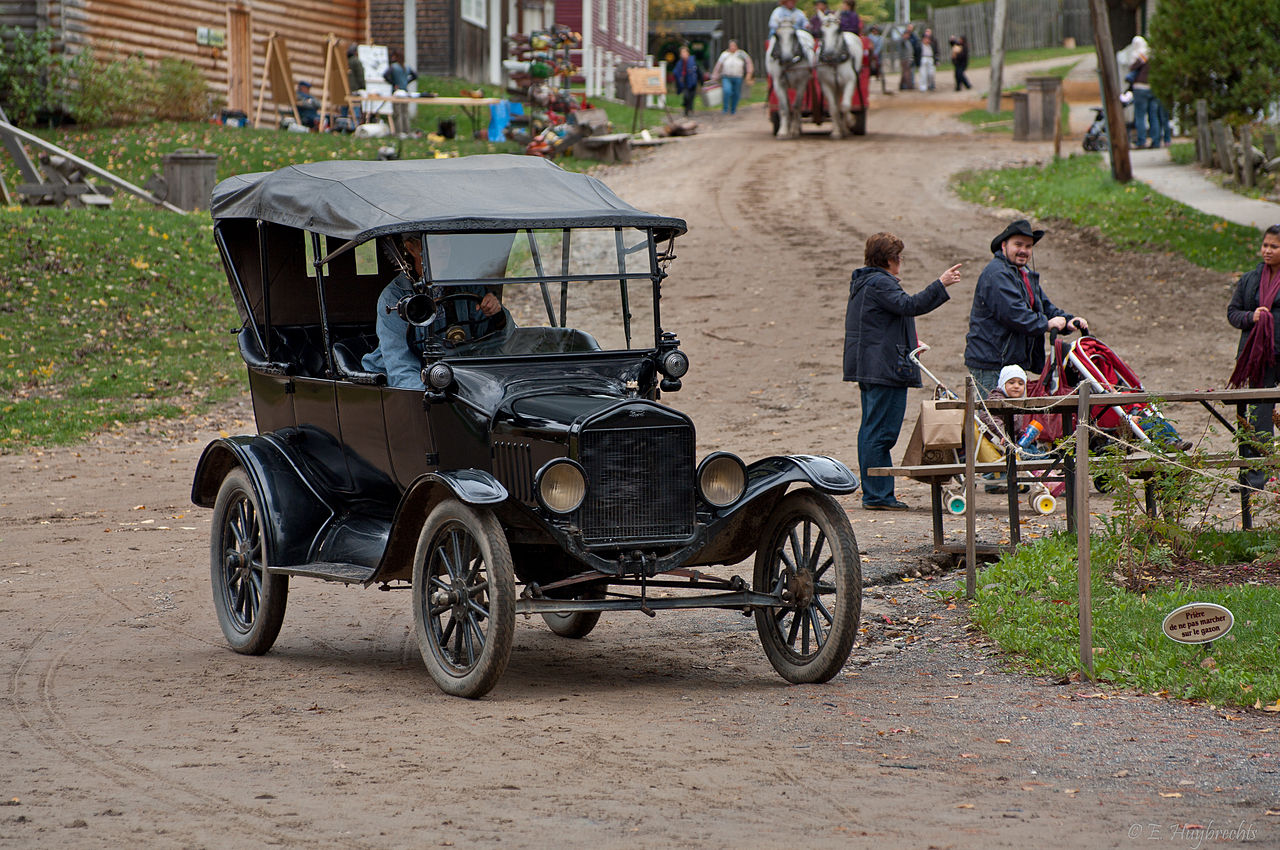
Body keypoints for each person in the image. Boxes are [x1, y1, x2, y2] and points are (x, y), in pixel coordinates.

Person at [844, 232, 964, 510]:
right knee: (880, 432)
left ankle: (876, 493)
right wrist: (941, 283)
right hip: (883, 370)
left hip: (873, 367)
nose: (901, 263)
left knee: (871, 429)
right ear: (889, 259)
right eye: (898, 257)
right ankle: (877, 495)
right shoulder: (880, 283)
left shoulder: (866, 283)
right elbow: (909, 305)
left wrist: (910, 343)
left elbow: (879, 326)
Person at [363, 233, 507, 389]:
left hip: (465, 380)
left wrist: (496, 313)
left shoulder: (466, 284)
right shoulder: (393, 298)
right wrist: (431, 397)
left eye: (445, 242)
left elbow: (492, 342)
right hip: (421, 384)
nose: (442, 249)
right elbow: (401, 368)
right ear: (411, 248)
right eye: (433, 242)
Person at [964, 220, 1088, 397]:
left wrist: (1068, 320)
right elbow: (1015, 315)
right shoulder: (997, 274)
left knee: (1012, 419)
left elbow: (1044, 306)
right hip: (992, 362)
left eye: (1028, 246)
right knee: (991, 419)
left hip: (1010, 362)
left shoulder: (1023, 274)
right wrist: (1046, 324)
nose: (1023, 250)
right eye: (1018, 244)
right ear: (1004, 245)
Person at [1227, 225, 1280, 489]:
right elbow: (1233, 313)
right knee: (1257, 414)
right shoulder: (1250, 279)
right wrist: (1252, 317)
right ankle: (1254, 477)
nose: (1268, 251)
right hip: (1258, 357)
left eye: (1274, 246)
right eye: (1266, 245)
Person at [1126, 40, 1161, 149]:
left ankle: (1141, 141)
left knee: (1140, 116)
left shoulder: (1140, 55)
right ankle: (1156, 141)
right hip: (1153, 87)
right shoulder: (1153, 54)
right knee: (1153, 116)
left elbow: (1132, 68)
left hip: (1140, 88)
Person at [710, 40, 754, 116]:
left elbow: (749, 63)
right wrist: (715, 76)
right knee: (727, 91)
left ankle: (733, 109)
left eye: (734, 46)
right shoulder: (724, 54)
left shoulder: (741, 54)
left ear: (737, 46)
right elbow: (718, 66)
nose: (732, 47)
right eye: (731, 46)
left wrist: (749, 73)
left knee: (736, 93)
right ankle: (725, 108)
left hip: (738, 76)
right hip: (726, 76)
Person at [383, 49, 418, 135]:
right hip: (405, 92)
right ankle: (407, 130)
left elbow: (385, 75)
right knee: (405, 113)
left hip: (397, 92)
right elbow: (415, 75)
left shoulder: (394, 67)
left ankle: (399, 131)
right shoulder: (406, 66)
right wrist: (407, 81)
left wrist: (393, 83)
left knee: (397, 113)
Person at [672, 46, 703, 118]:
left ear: (688, 53)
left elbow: (699, 72)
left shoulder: (693, 61)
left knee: (691, 97)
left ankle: (690, 109)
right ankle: (686, 110)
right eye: (682, 53)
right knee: (686, 96)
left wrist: (701, 82)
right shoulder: (680, 63)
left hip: (692, 82)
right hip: (684, 82)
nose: (683, 54)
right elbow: (676, 72)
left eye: (684, 52)